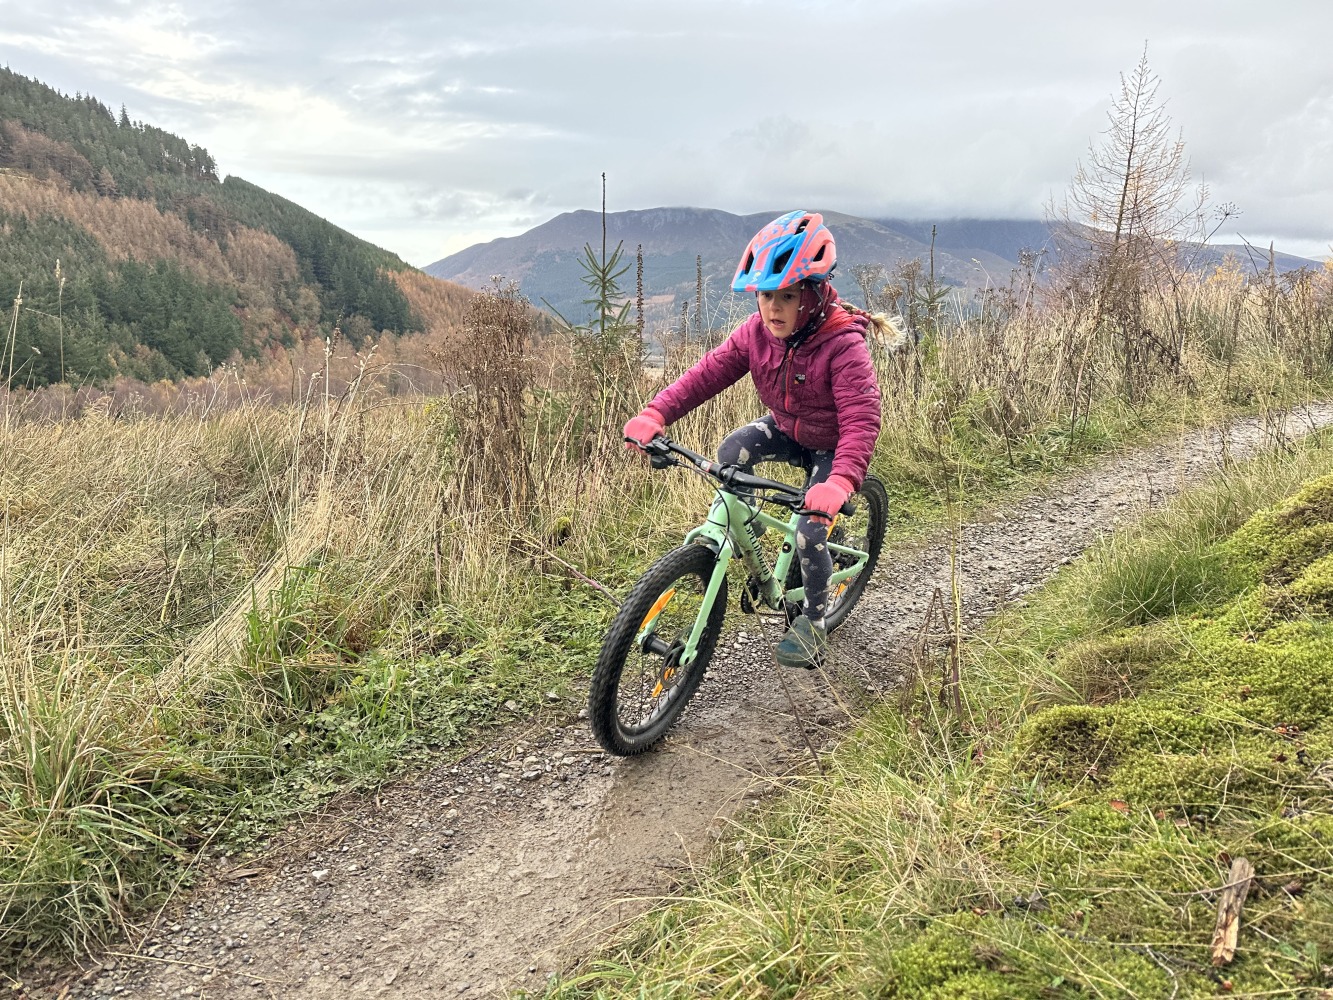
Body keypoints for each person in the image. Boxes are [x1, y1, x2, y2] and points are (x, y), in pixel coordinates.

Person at [623, 210, 884, 669]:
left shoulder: (843, 345)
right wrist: (657, 412)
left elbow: (862, 421)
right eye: (765, 296)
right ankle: (752, 532)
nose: (773, 309)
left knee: (808, 532)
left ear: (814, 293)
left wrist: (840, 483)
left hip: (831, 444)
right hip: (785, 428)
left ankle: (816, 622)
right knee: (731, 452)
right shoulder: (755, 334)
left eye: (786, 296)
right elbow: (705, 376)